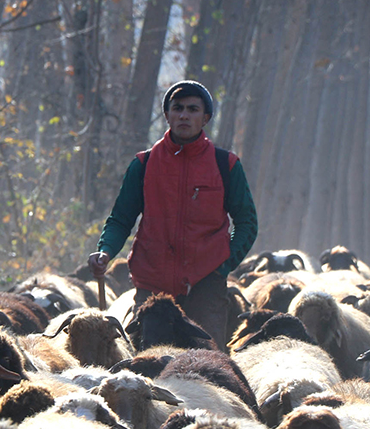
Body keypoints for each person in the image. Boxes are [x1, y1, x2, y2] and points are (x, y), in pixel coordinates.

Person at [88, 80, 257, 344]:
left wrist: (223, 265)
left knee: (208, 366)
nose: (184, 115)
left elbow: (247, 222)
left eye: (192, 109)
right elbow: (121, 218)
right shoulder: (143, 164)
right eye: (177, 108)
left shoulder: (226, 165)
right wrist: (106, 251)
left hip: (206, 287)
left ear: (206, 118)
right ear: (167, 115)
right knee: (146, 365)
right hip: (152, 287)